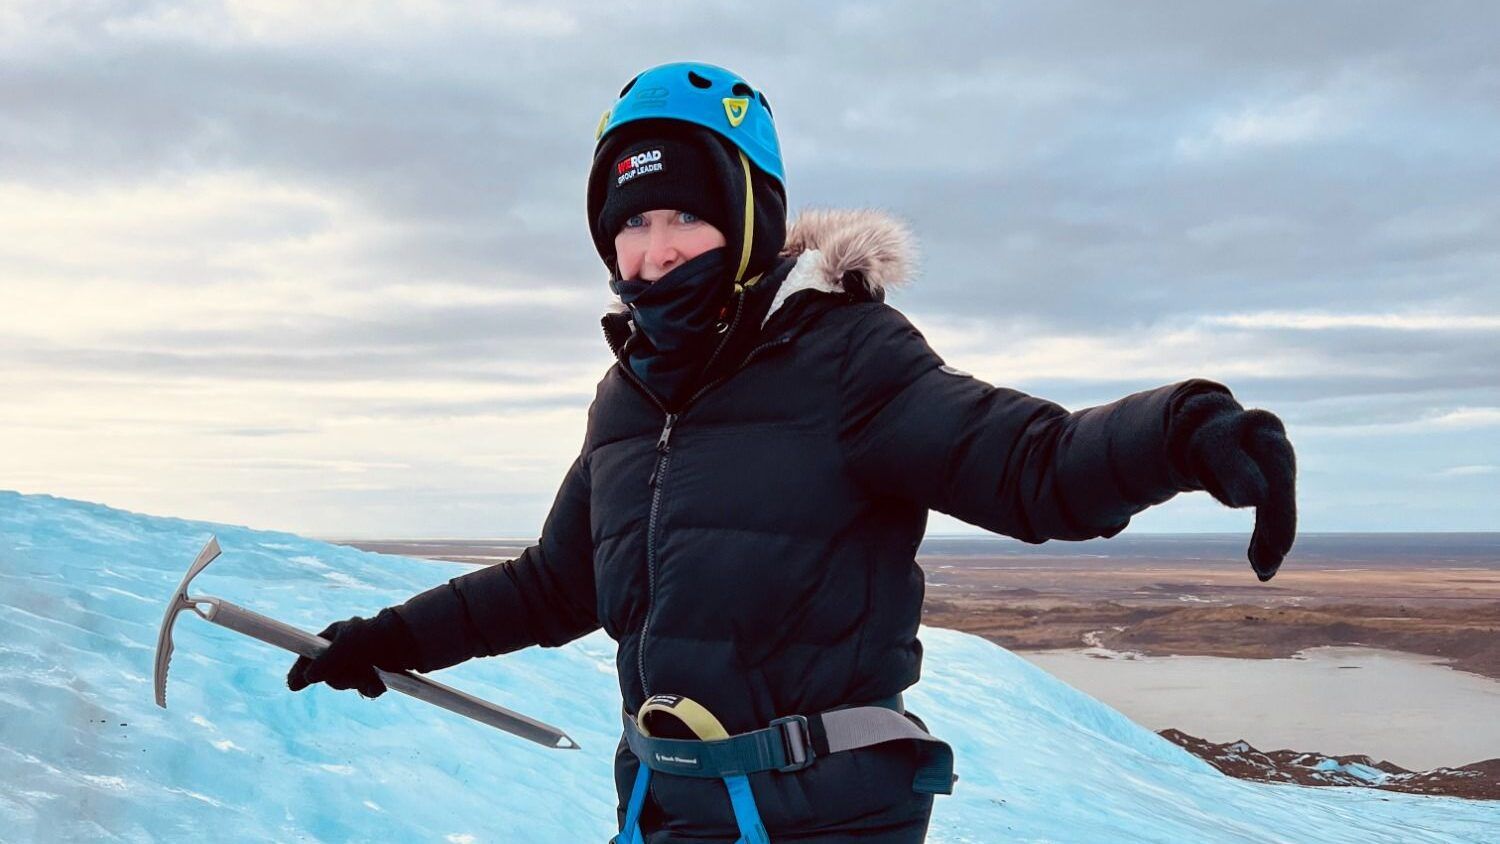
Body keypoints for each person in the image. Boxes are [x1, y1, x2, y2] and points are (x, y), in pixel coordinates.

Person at [286, 61, 1298, 843]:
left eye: (683, 213)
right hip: (665, 802)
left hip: (826, 813)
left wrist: (1186, 431)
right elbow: (559, 580)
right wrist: (387, 638)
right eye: (629, 223)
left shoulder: (848, 355)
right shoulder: (630, 396)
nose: (653, 249)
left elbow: (1035, 467)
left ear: (749, 213)